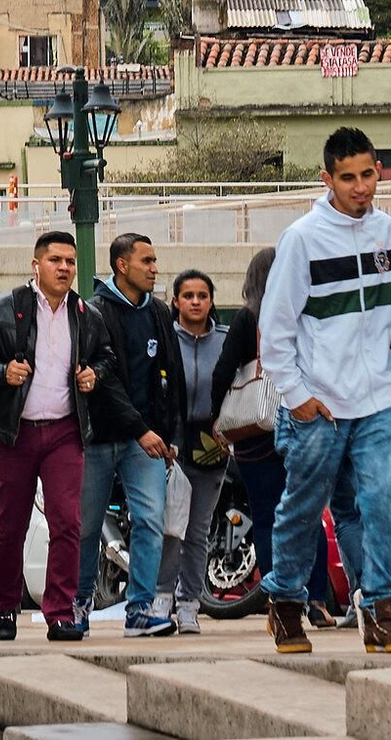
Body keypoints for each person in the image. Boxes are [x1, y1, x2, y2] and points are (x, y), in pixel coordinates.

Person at [260, 126, 391, 656]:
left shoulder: (390, 234)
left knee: (385, 504)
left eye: (368, 174)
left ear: (379, 172)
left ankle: (380, 614)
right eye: (347, 177)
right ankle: (284, 605)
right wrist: (296, 395)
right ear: (327, 178)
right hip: (318, 406)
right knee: (302, 510)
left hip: (378, 401)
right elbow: (275, 328)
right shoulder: (301, 238)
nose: (360, 187)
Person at [0, 229, 118, 644]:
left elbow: (107, 356)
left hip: (64, 430)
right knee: (13, 525)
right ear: (36, 265)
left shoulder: (85, 313)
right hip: (14, 432)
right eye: (55, 260)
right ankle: (5, 605)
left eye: (69, 262)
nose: (64, 268)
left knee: (68, 523)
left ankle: (60, 613)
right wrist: (0, 371)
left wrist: (94, 374)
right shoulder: (3, 309)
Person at [211, 249, 344, 627]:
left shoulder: (248, 319)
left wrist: (215, 420)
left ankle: (280, 602)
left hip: (257, 433)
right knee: (307, 515)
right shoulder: (306, 316)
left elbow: (223, 371)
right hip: (303, 424)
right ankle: (317, 600)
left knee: (269, 518)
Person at [75, 233, 186, 638]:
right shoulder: (95, 311)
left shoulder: (157, 311)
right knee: (86, 526)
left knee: (150, 520)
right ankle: (79, 604)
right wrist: (141, 430)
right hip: (100, 438)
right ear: (122, 266)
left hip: (148, 441)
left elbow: (173, 375)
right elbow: (106, 384)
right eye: (147, 261)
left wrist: (172, 432)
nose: (155, 268)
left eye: (155, 261)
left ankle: (140, 609)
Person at [157, 269, 230, 635]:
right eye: (188, 295)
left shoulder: (227, 340)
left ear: (212, 301)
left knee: (198, 530)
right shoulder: (165, 339)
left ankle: (190, 605)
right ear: (176, 301)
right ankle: (161, 599)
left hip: (212, 445)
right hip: (171, 444)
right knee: (171, 527)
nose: (196, 302)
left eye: (203, 295)